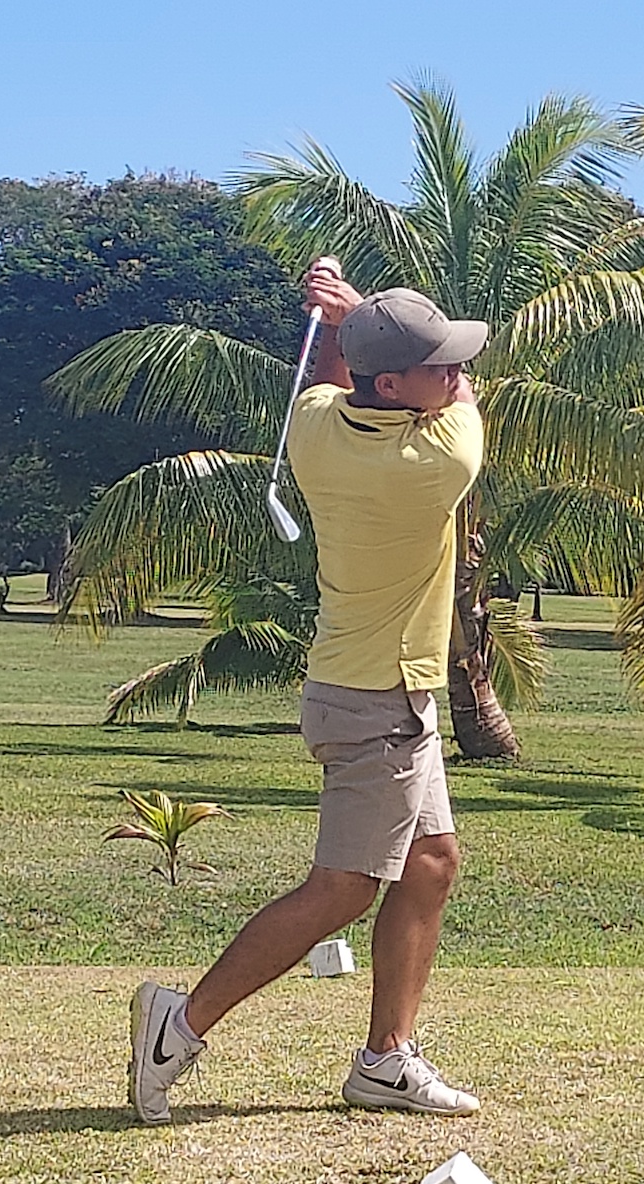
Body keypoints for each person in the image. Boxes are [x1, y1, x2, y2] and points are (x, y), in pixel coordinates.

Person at [127, 257, 489, 1124]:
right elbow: (461, 401)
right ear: (395, 384)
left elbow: (338, 381)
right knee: (343, 888)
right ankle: (179, 1025)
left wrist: (341, 325)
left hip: (364, 691)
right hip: (379, 702)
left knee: (432, 864)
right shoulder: (439, 459)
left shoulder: (316, 429)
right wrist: (350, 316)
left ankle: (384, 1061)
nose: (456, 372)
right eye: (438, 362)